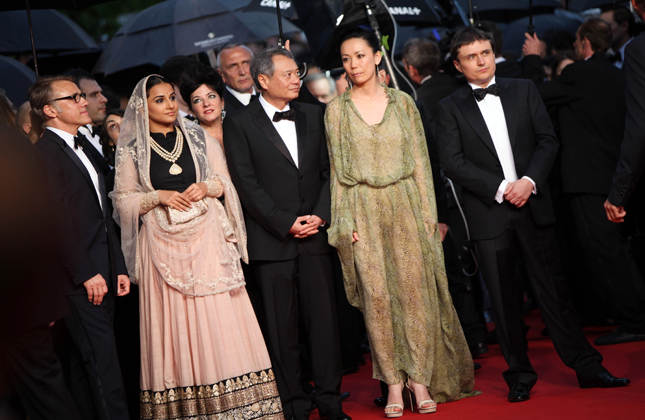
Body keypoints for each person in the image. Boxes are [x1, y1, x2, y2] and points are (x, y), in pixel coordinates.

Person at [435, 27, 630, 404]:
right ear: (458, 65)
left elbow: (548, 140)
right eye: (472, 56)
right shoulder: (448, 107)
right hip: (490, 215)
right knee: (505, 305)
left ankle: (588, 367)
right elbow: (452, 163)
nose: (481, 60)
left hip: (534, 206)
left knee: (555, 295)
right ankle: (519, 375)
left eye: (486, 52)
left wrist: (528, 181)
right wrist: (501, 188)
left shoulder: (523, 90)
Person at [110, 75, 283, 419]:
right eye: (159, 100)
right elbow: (122, 201)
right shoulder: (131, 149)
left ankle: (241, 408)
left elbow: (226, 183)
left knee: (221, 321)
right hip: (161, 247)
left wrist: (205, 187)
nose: (170, 104)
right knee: (174, 327)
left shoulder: (200, 137)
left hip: (208, 241)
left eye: (172, 97)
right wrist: (156, 196)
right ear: (143, 107)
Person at [326, 27, 477, 418]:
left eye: (359, 55)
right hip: (363, 209)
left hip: (407, 205)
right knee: (377, 299)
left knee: (414, 295)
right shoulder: (336, 110)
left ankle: (419, 380)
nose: (352, 64)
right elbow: (337, 175)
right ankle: (393, 382)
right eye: (345, 59)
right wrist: (343, 222)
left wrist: (431, 219)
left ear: (377, 57)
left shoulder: (404, 103)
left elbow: (423, 167)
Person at [224, 48, 349, 420]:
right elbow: (245, 183)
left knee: (325, 326)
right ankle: (294, 404)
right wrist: (283, 221)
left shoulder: (315, 113)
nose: (297, 79)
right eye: (289, 74)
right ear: (262, 80)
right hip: (272, 241)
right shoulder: (239, 122)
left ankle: (330, 401)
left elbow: (331, 171)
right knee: (283, 332)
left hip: (315, 237)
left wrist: (321, 216)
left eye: (298, 72)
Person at [537, 18, 645, 345]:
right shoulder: (618, 73)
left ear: (584, 44)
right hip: (620, 176)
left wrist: (533, 58)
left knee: (605, 253)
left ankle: (633, 319)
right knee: (619, 251)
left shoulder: (578, 74)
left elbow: (537, 94)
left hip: (588, 181)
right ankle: (622, 314)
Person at [30, 75, 131, 419]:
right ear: (49, 110)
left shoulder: (84, 144)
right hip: (79, 277)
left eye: (80, 95)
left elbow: (103, 214)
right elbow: (56, 222)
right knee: (103, 364)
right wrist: (87, 273)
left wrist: (117, 266)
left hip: (103, 267)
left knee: (86, 361)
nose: (83, 101)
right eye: (73, 97)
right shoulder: (43, 153)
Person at [0, 119, 83, 420]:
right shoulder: (20, 146)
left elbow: (37, 222)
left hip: (18, 301)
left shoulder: (14, 149)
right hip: (27, 301)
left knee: (45, 396)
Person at [63, 68, 111, 175]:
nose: (104, 99)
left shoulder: (106, 132)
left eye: (101, 93)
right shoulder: (71, 140)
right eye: (94, 94)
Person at [179, 62, 226, 150]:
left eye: (211, 96)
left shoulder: (240, 129)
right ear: (192, 111)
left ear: (222, 102)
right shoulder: (189, 143)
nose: (206, 104)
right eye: (198, 100)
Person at [217, 43, 257, 112]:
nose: (242, 72)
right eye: (232, 66)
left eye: (246, 63)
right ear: (221, 74)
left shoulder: (271, 96)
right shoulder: (219, 110)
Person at [159, 55, 198, 121]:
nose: (196, 88)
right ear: (172, 88)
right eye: (189, 83)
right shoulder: (167, 122)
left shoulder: (208, 113)